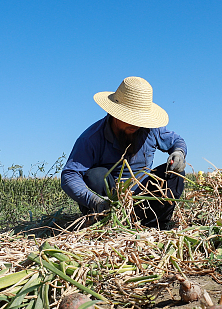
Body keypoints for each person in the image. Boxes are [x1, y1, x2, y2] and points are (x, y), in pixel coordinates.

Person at [61, 77, 187, 228]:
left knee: (174, 173)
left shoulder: (150, 129)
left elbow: (176, 141)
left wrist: (178, 153)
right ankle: (106, 223)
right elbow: (69, 175)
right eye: (130, 118)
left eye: (139, 119)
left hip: (144, 202)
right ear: (115, 113)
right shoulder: (91, 138)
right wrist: (96, 201)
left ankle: (155, 225)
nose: (135, 124)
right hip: (109, 205)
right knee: (96, 175)